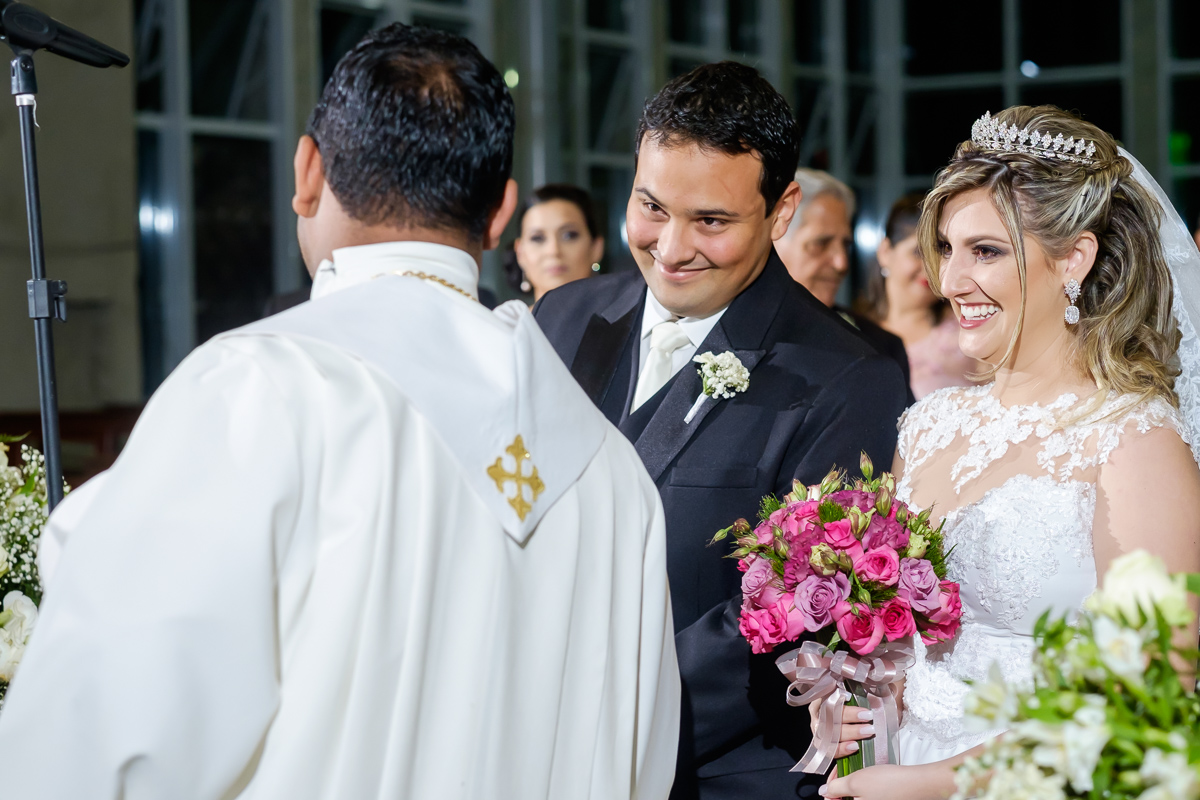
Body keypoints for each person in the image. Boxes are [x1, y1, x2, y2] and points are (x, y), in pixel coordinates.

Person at [0, 24, 680, 800]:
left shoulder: (259, 388)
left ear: (308, 171)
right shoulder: (613, 473)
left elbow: (97, 744)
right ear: (500, 216)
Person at [533, 62, 908, 800]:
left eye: (710, 221)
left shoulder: (847, 377)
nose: (670, 249)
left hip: (706, 772)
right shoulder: (564, 317)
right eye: (650, 207)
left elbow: (795, 612)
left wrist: (600, 715)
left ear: (781, 210)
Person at [818, 106, 1200, 799]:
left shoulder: (1136, 442)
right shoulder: (927, 425)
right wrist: (860, 703)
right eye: (948, 247)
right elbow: (906, 649)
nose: (951, 280)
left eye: (986, 251)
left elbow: (1149, 700)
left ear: (1073, 260)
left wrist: (931, 783)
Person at [775, 168, 913, 398]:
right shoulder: (726, 332)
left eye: (845, 245)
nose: (841, 263)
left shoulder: (881, 345)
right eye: (821, 243)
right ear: (775, 237)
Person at [861, 192, 975, 398]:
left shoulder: (967, 330)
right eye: (917, 253)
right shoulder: (855, 330)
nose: (930, 267)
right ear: (885, 252)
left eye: (941, 253)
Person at [507, 183, 605, 302]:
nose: (553, 251)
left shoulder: (627, 320)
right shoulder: (501, 320)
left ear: (596, 248)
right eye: (537, 238)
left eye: (569, 236)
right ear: (520, 253)